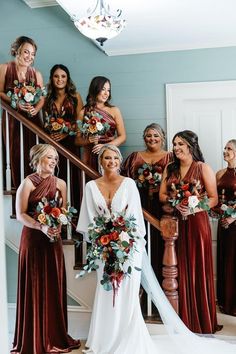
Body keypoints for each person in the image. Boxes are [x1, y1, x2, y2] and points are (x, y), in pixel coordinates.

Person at [77, 144, 236, 354]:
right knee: (106, 291)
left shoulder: (129, 184)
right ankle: (103, 339)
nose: (112, 162)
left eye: (115, 158)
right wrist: (102, 241)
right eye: (107, 158)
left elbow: (135, 220)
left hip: (128, 248)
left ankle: (127, 338)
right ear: (101, 161)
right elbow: (89, 221)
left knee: (126, 294)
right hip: (103, 249)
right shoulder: (90, 187)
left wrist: (125, 242)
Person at [11, 144, 80, 354]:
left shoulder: (61, 183)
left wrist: (58, 225)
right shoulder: (27, 183)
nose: (53, 161)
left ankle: (54, 335)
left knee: (53, 282)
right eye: (49, 157)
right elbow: (21, 214)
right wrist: (41, 226)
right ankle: (33, 337)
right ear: (38, 159)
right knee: (34, 283)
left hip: (53, 240)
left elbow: (64, 212)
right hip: (33, 240)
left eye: (55, 158)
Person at [159, 130, 220, 334]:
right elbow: (161, 195)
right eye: (175, 144)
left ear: (191, 146)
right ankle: (181, 316)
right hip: (175, 223)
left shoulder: (203, 168)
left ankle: (200, 319)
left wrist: (193, 207)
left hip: (197, 223)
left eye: (181, 144)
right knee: (179, 266)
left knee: (197, 265)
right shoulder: (170, 168)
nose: (176, 148)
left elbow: (213, 199)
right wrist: (176, 201)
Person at [122, 123, 172, 283]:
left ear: (162, 138)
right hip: (139, 205)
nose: (152, 138)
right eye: (149, 135)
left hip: (162, 207)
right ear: (144, 138)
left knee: (161, 245)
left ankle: (160, 285)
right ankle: (140, 287)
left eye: (156, 135)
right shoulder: (134, 157)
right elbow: (124, 181)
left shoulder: (171, 157)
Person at [0, 36, 45, 189]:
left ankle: (33, 187)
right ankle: (15, 187)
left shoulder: (36, 74)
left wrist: (36, 109)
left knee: (32, 152)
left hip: (32, 119)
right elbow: (0, 92)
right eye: (26, 52)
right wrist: (16, 103)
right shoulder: (5, 68)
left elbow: (41, 99)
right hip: (12, 119)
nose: (29, 57)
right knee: (14, 152)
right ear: (17, 50)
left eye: (33, 54)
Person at [43, 64, 83, 209]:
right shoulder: (47, 98)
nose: (60, 79)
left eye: (63, 76)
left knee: (71, 174)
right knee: (54, 174)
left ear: (68, 78)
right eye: (56, 76)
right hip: (52, 143)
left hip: (71, 143)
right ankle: (55, 211)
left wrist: (66, 132)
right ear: (52, 79)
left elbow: (80, 122)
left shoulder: (75, 97)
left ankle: (73, 211)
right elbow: (44, 121)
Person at [75, 76, 126, 171]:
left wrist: (106, 146)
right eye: (103, 89)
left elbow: (122, 137)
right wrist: (89, 140)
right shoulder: (83, 112)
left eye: (109, 90)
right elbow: (77, 140)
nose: (106, 93)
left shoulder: (114, 110)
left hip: (110, 154)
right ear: (95, 89)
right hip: (90, 155)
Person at [216, 139, 236, 316]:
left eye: (229, 148)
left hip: (235, 224)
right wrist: (216, 213)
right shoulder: (220, 173)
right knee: (224, 259)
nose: (225, 151)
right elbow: (215, 198)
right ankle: (224, 301)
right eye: (225, 148)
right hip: (223, 224)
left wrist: (233, 217)